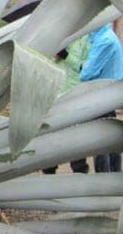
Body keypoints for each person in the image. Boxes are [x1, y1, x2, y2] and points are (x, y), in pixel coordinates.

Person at [42, 35, 90, 174]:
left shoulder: (87, 39)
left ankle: (79, 170)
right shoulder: (63, 36)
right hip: (55, 91)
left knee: (75, 135)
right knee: (52, 132)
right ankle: (49, 168)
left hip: (74, 93)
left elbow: (86, 68)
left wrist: (66, 55)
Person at [79, 23, 123, 172]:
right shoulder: (106, 36)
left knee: (100, 141)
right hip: (110, 93)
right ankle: (113, 174)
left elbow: (87, 74)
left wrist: (82, 66)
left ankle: (103, 177)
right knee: (110, 138)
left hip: (101, 96)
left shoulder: (104, 40)